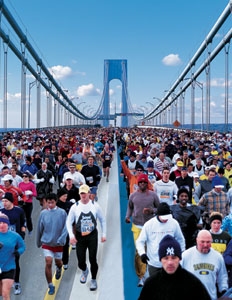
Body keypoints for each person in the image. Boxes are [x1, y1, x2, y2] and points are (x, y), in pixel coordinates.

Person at [138, 235, 211, 300]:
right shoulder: (151, 284)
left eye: (173, 258)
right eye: (166, 258)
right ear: (160, 260)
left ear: (179, 258)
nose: (170, 262)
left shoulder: (193, 284)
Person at [66, 184, 106, 291]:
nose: (83, 195)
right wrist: (71, 235)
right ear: (79, 194)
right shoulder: (75, 207)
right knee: (80, 260)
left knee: (93, 259)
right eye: (81, 193)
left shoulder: (95, 206)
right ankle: (84, 270)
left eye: (85, 193)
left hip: (92, 235)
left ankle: (93, 279)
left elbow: (102, 220)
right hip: (80, 236)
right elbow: (68, 222)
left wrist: (104, 234)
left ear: (89, 193)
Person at [125, 173, 160, 286]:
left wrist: (151, 211)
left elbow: (158, 208)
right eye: (141, 182)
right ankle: (141, 276)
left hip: (151, 226)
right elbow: (130, 207)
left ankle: (149, 274)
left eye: (145, 182)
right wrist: (127, 216)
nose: (143, 184)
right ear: (138, 183)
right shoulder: (133, 196)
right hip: (137, 227)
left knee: (151, 249)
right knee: (139, 251)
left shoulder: (153, 195)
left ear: (147, 183)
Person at [136, 202, 185, 276]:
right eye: (163, 217)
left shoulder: (174, 223)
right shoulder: (149, 225)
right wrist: (142, 253)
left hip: (170, 263)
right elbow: (140, 241)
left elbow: (180, 240)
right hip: (154, 263)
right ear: (158, 215)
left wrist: (181, 254)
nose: (165, 220)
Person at [181, 229, 228, 300]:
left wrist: (223, 291)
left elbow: (222, 277)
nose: (205, 245)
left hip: (210, 297)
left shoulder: (218, 257)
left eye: (208, 242)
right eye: (202, 242)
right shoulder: (185, 255)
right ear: (197, 240)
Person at [36, 193, 67, 295]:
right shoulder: (43, 214)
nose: (50, 205)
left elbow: (66, 228)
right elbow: (39, 228)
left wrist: (62, 239)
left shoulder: (62, 213)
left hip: (58, 244)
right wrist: (38, 241)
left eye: (52, 202)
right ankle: (50, 285)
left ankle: (59, 268)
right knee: (48, 262)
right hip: (47, 242)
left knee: (58, 261)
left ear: (56, 201)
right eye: (48, 203)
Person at [0, 192, 26, 295]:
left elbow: (23, 222)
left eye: (6, 201)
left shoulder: (18, 211)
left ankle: (16, 282)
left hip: (14, 241)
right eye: (2, 201)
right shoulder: (1, 212)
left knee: (15, 263)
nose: (4, 203)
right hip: (2, 242)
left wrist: (22, 234)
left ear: (11, 201)